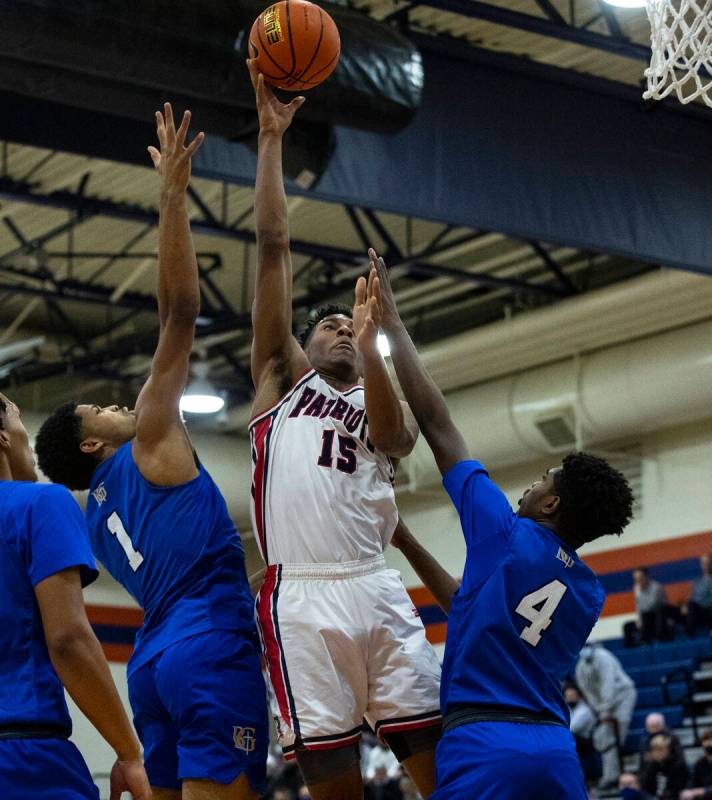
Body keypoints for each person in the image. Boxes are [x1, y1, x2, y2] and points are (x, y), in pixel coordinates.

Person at [34, 105, 267, 800]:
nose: (122, 405)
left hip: (153, 664)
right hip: (208, 650)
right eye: (105, 409)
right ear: (93, 442)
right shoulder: (155, 439)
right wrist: (172, 197)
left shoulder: (99, 523)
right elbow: (180, 315)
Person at [370, 249, 634, 800]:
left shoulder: (504, 533)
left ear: (551, 505)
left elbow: (440, 427)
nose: (529, 486)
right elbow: (470, 603)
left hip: (484, 741)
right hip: (554, 750)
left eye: (542, 479)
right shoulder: (588, 592)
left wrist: (394, 329)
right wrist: (408, 541)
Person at [245, 62, 442, 800]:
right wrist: (270, 140)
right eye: (324, 323)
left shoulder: (373, 397)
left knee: (436, 760)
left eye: (346, 324)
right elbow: (272, 248)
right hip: (302, 593)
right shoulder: (281, 383)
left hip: (376, 586)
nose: (334, 325)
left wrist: (374, 350)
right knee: (333, 778)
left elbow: (396, 442)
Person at [0, 393, 151, 800]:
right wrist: (129, 753)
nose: (24, 436)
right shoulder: (40, 502)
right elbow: (68, 640)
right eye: (17, 420)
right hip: (24, 755)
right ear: (1, 437)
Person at [575, 642, 637, 788]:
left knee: (616, 737)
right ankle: (612, 776)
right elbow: (587, 691)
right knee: (606, 738)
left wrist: (606, 709)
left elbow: (608, 684)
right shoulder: (580, 667)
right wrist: (600, 710)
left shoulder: (604, 657)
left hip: (623, 697)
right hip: (603, 706)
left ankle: (615, 775)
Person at [624, 568, 678, 646]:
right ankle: (632, 647)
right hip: (646, 618)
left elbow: (653, 605)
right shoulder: (636, 588)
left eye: (640, 578)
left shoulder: (656, 587)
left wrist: (642, 617)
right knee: (627, 626)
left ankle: (649, 640)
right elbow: (638, 606)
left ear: (647, 577)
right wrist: (639, 619)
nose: (638, 581)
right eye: (636, 579)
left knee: (647, 615)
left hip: (659, 618)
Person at [564, 684, 600, 785]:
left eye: (572, 696)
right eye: (568, 696)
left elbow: (571, 728)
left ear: (578, 696)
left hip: (586, 745)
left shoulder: (585, 710)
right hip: (575, 743)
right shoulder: (568, 709)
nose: (569, 699)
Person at [639, 733, 689, 800]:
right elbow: (645, 787)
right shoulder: (651, 766)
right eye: (654, 750)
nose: (657, 753)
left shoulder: (678, 766)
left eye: (661, 749)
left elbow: (676, 790)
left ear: (668, 750)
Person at [681, 727, 712, 799]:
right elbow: (693, 783)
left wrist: (703, 791)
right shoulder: (700, 763)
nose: (709, 743)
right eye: (706, 740)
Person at [684, 555, 712, 636]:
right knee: (689, 606)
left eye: (708, 563)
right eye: (703, 564)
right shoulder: (697, 581)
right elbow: (692, 598)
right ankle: (689, 632)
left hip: (709, 610)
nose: (706, 566)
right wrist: (685, 606)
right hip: (699, 612)